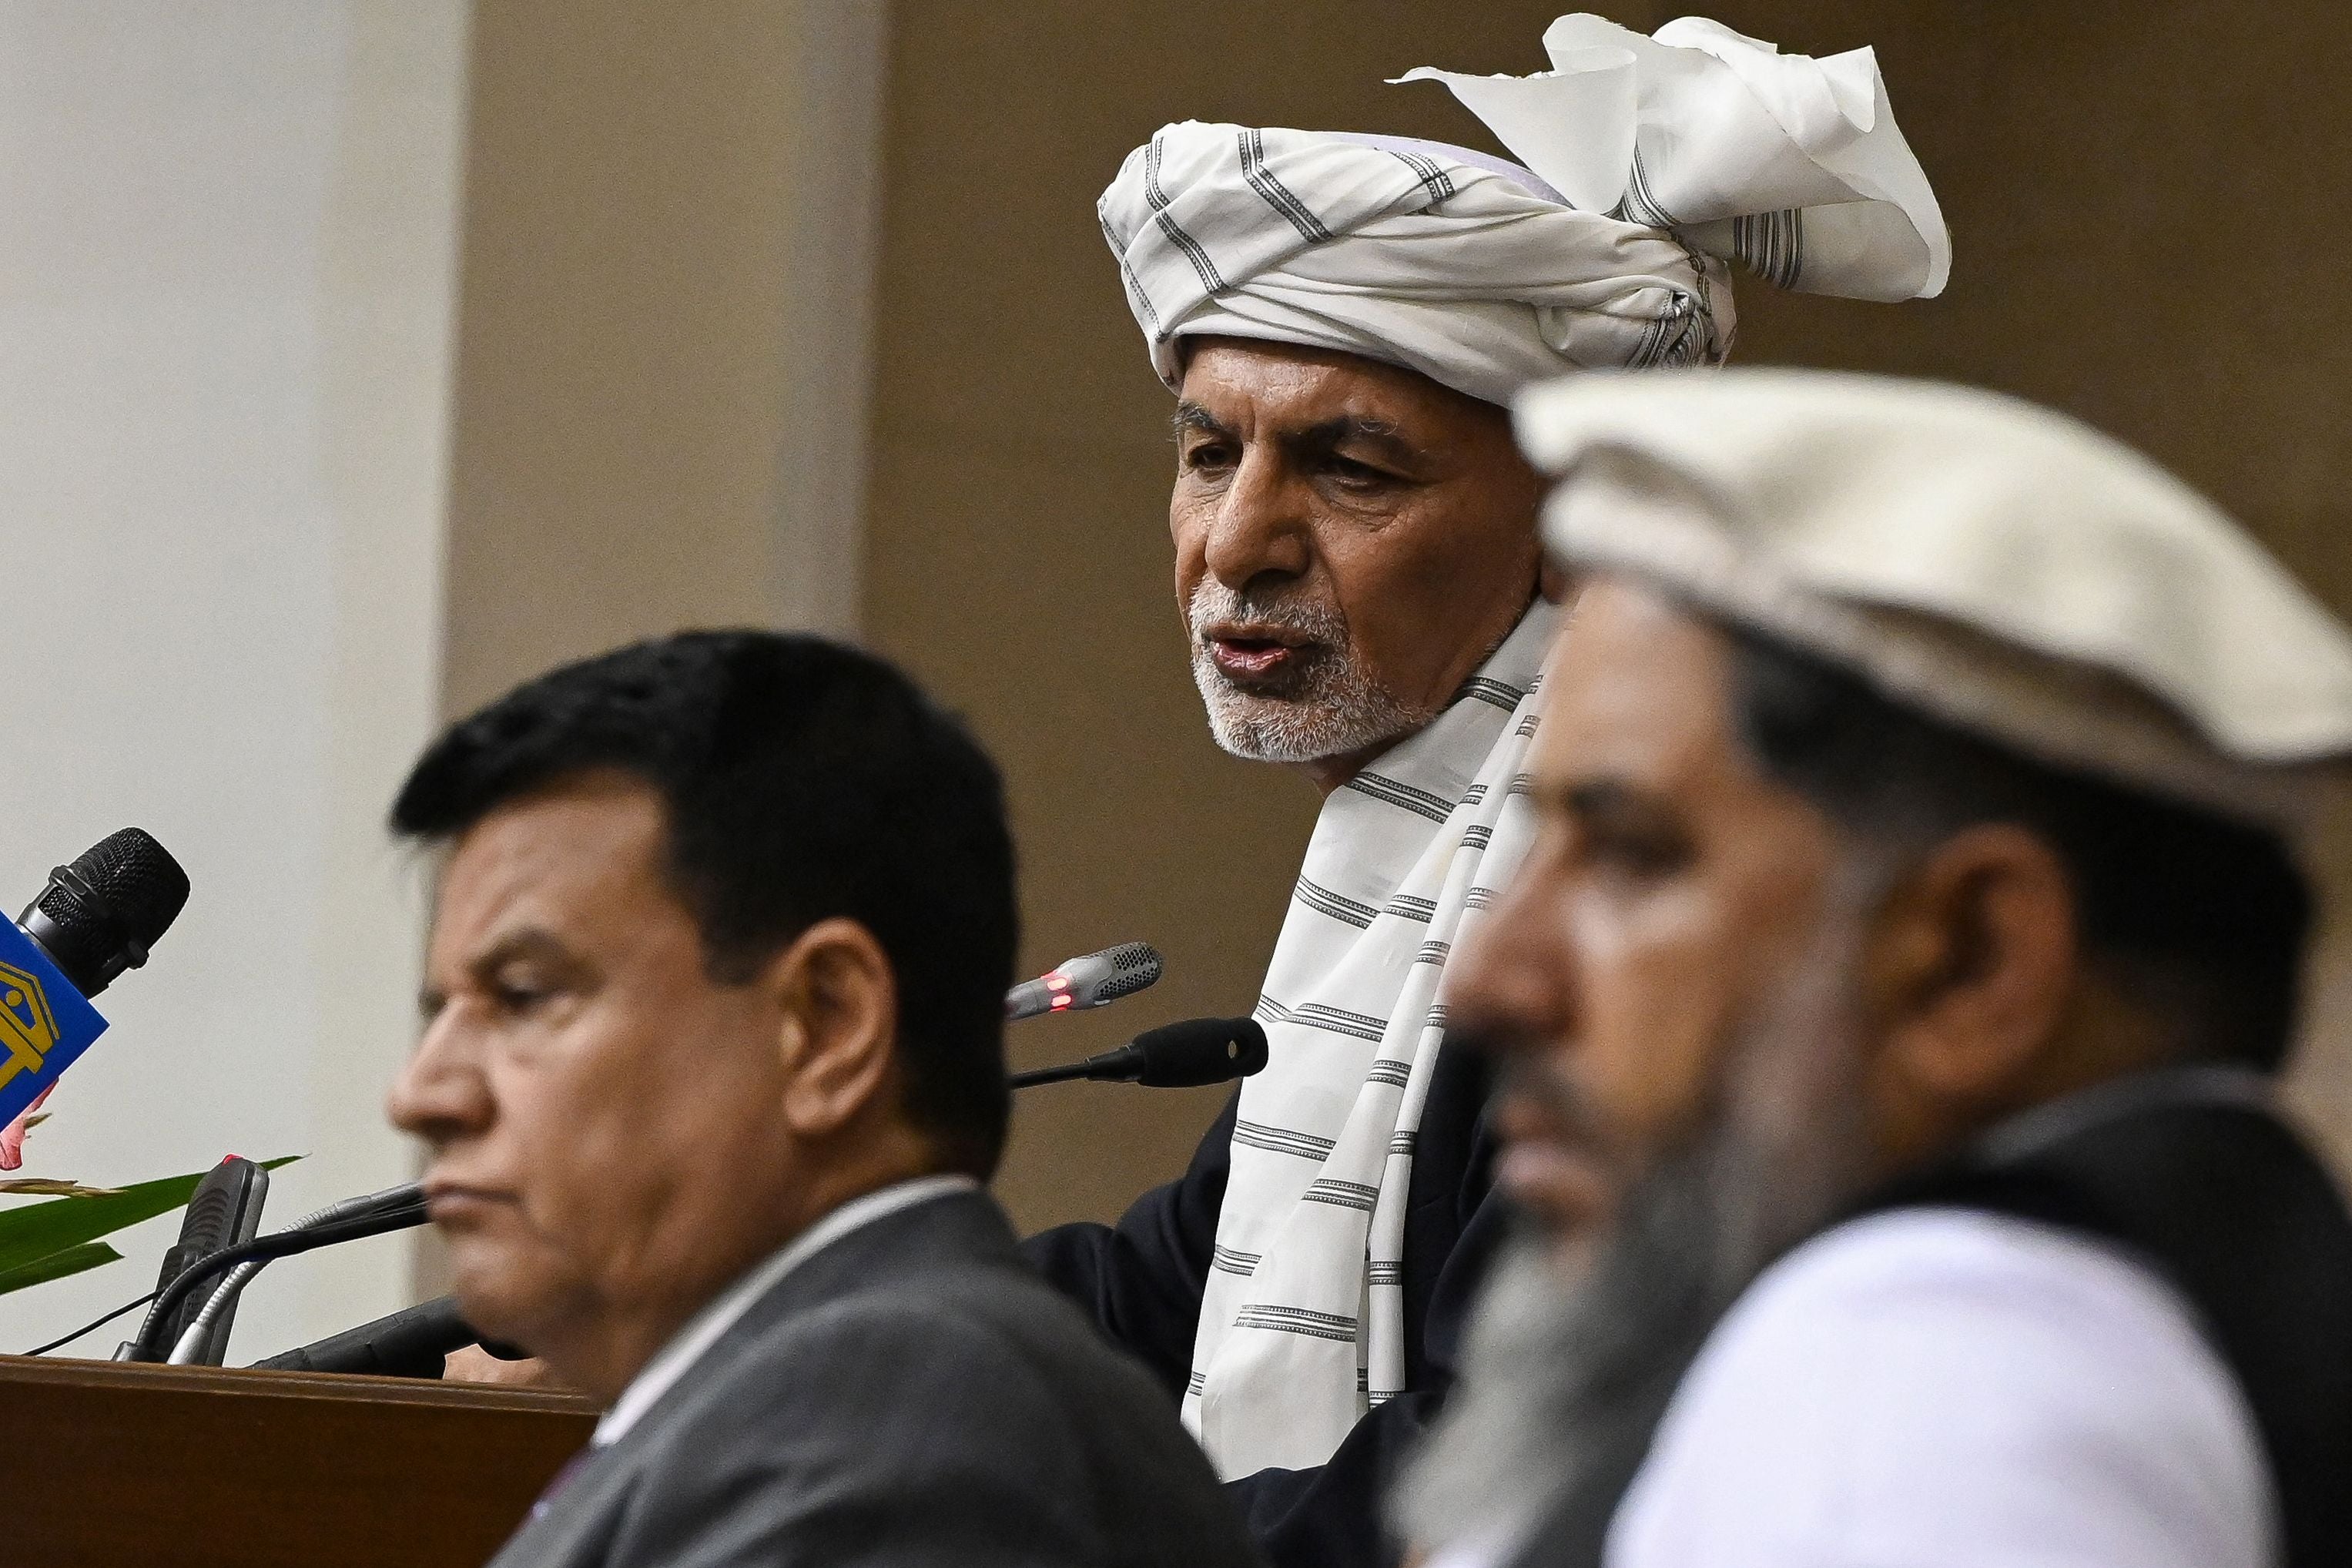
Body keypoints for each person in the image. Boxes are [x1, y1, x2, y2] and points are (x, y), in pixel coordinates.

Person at [1028, 15, 1948, 1567]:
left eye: (1352, 469)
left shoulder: (1628, 918)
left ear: (1579, 521)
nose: (1237, 542)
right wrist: (730, 1337)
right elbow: (1156, 1298)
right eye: (1208, 453)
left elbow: (1495, 1464)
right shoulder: (1403, 869)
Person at [1398, 370, 2352, 1568]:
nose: (1488, 980)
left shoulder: (1922, 1367)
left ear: (1971, 963)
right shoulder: (2151, 1320)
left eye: (1630, 856)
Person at [384, 632, 1264, 1568]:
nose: (421, 1091)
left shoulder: (901, 1441)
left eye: (523, 995)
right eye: (442, 1012)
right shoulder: (783, 1416)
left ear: (827, 1023)